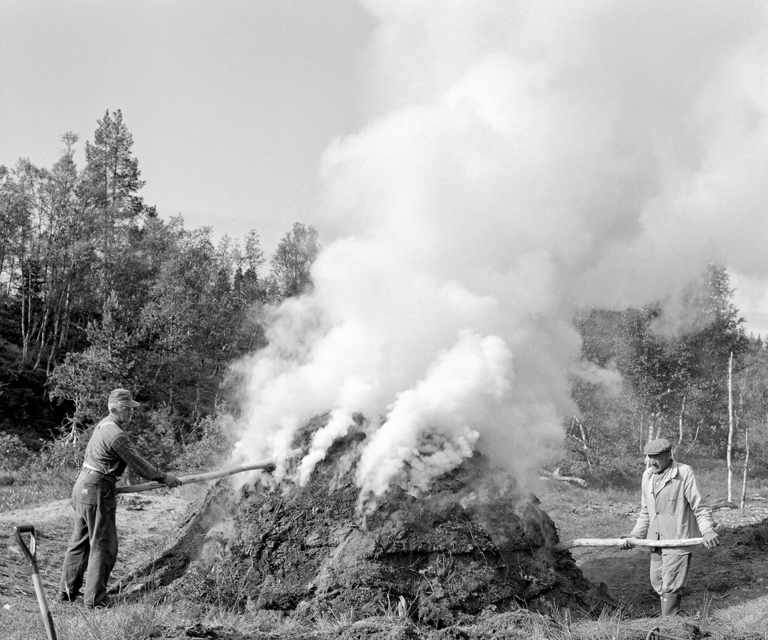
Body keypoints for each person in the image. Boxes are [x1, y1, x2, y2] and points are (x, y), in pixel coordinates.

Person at [59, 388, 182, 608]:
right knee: (103, 545)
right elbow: (138, 463)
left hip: (84, 484)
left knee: (80, 542)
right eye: (128, 409)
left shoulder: (104, 425)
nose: (132, 413)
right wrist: (164, 477)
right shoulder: (116, 434)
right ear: (116, 409)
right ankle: (95, 600)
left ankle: (67, 593)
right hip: (97, 489)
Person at [621, 438, 719, 616]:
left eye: (656, 457)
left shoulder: (684, 473)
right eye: (649, 457)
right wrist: (634, 535)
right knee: (657, 581)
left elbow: (700, 507)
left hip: (677, 540)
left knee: (671, 584)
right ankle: (673, 617)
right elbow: (646, 512)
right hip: (656, 540)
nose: (651, 461)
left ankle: (669, 624)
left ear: (668, 455)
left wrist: (707, 530)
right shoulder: (647, 476)